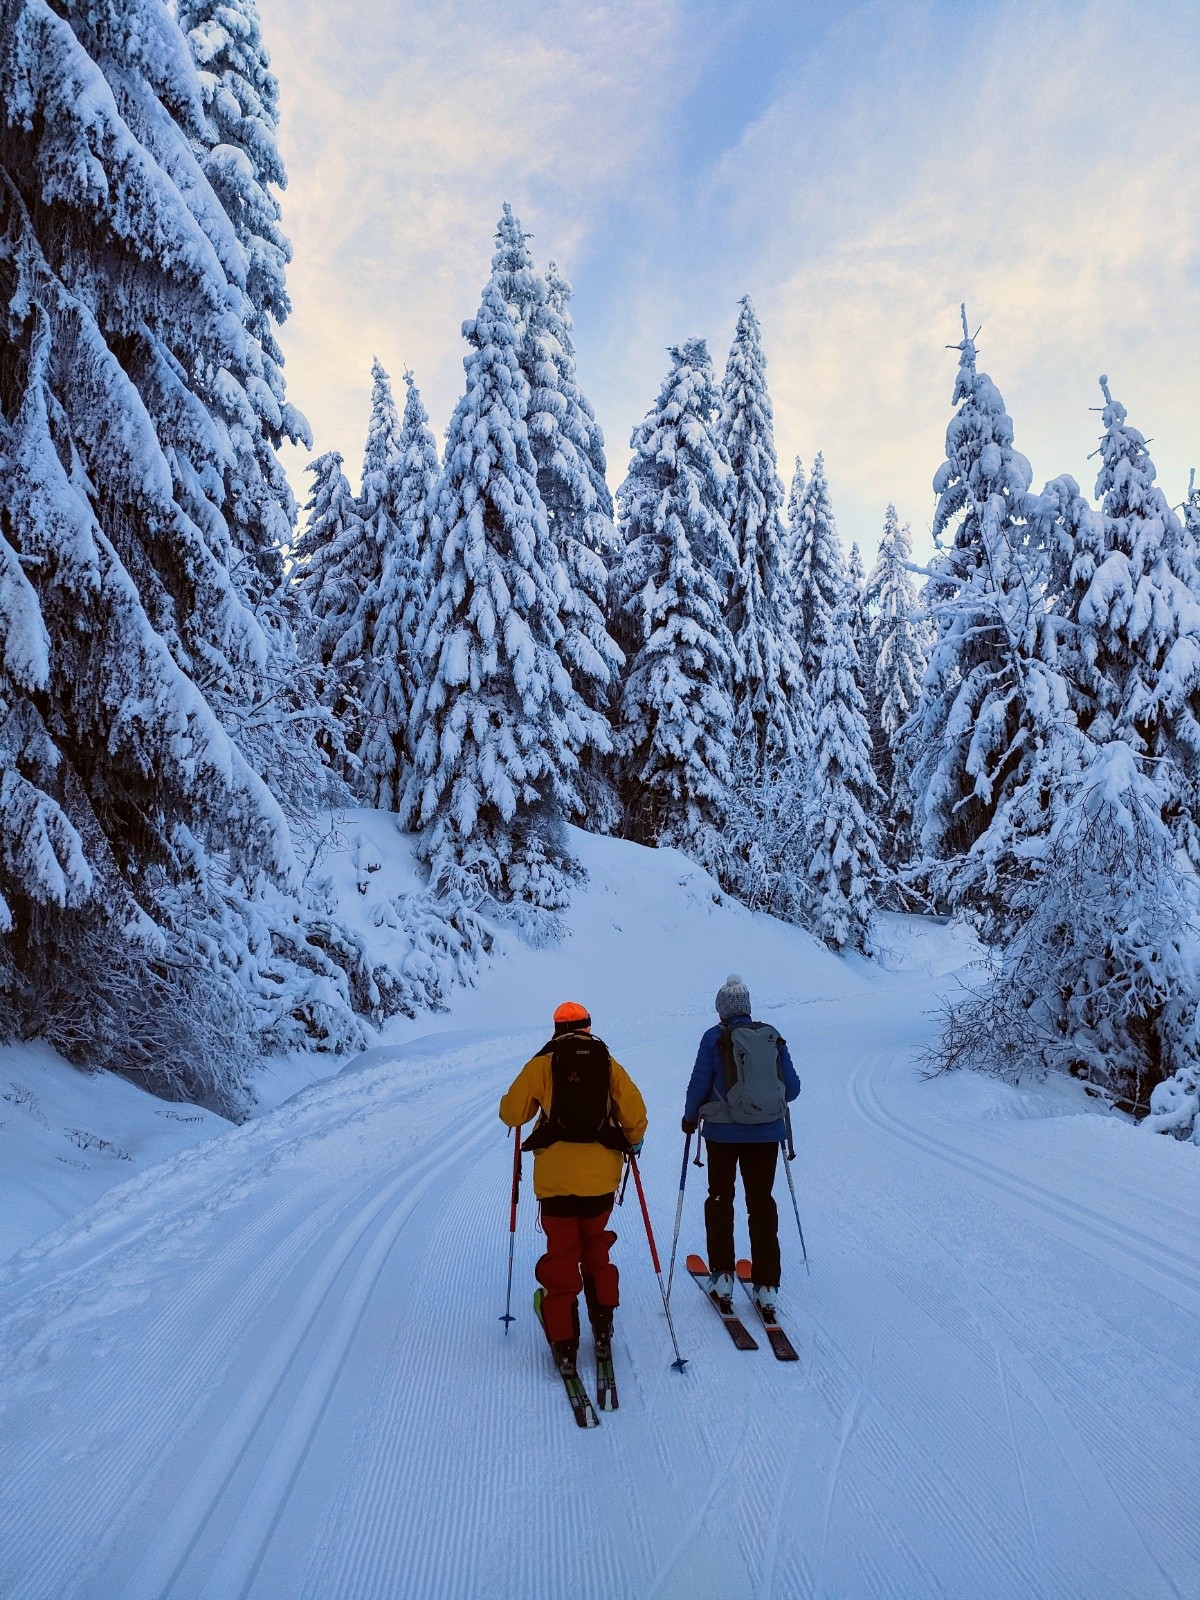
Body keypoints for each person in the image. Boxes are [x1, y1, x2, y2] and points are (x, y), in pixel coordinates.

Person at [499, 1001, 647, 1376]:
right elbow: (634, 1112)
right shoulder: (606, 1061)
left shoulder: (543, 1063)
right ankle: (602, 1326)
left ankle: (564, 1342)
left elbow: (512, 1113)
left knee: (562, 1252)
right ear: (587, 1026)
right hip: (601, 1178)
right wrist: (635, 1140)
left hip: (555, 1180)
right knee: (595, 1243)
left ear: (556, 1029)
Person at [682, 974, 801, 1314]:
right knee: (761, 1202)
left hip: (722, 1134)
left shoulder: (713, 1039)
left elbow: (698, 1084)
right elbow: (790, 1089)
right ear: (747, 1009)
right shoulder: (772, 1037)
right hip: (766, 1133)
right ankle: (766, 1286)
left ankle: (722, 1277)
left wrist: (690, 1119)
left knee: (721, 1199)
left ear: (721, 1011)